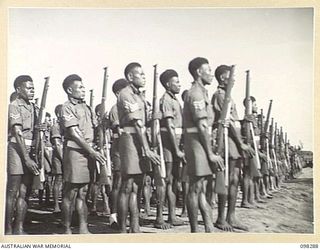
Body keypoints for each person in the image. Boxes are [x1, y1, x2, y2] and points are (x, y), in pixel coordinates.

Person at [117, 62, 160, 233]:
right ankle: (121, 228)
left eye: (144, 74)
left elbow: (146, 121)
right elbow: (137, 123)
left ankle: (134, 226)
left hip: (140, 141)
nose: (143, 77)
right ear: (129, 77)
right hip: (130, 142)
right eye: (140, 74)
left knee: (137, 186)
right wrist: (147, 149)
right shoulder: (126, 94)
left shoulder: (140, 96)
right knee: (127, 186)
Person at [60, 74, 106, 234]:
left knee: (83, 192)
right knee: (70, 192)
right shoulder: (67, 107)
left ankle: (83, 227)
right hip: (75, 153)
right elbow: (74, 132)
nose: (83, 90)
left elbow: (95, 127)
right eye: (79, 87)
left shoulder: (86, 107)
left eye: (83, 86)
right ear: (69, 90)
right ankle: (66, 228)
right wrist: (92, 151)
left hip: (88, 153)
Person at [183, 57, 224, 233]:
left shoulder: (203, 93)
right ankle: (194, 231)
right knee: (195, 187)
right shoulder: (196, 94)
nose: (211, 74)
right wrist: (210, 154)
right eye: (208, 70)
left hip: (201, 142)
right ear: (199, 72)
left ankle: (208, 226)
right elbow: (201, 125)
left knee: (202, 188)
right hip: (196, 144)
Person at [211, 65, 254, 231]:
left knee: (235, 179)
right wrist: (241, 143)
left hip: (233, 141)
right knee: (228, 180)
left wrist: (245, 120)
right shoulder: (221, 95)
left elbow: (235, 121)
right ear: (223, 78)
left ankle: (231, 215)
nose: (233, 79)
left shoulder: (227, 96)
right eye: (230, 76)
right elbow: (226, 121)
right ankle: (222, 218)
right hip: (227, 141)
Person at [6, 75, 40, 234]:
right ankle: (6, 228)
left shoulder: (33, 107)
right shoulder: (14, 105)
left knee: (25, 192)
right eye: (29, 88)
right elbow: (17, 132)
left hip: (30, 151)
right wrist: (26, 158)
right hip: (17, 150)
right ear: (18, 89)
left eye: (33, 88)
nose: (32, 91)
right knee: (12, 191)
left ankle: (19, 227)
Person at [158, 69, 185, 227]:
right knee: (165, 179)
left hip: (176, 143)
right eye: (176, 82)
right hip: (169, 143)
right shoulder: (166, 99)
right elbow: (169, 125)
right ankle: (159, 217)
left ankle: (172, 216)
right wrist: (176, 149)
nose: (179, 84)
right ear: (168, 84)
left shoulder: (175, 100)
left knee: (174, 180)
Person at [108, 78, 129, 228]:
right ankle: (113, 216)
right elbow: (118, 130)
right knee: (118, 181)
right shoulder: (115, 109)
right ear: (118, 93)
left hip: (129, 148)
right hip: (119, 148)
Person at [51, 104, 64, 213]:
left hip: (67, 155)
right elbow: (57, 143)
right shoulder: (56, 126)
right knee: (58, 179)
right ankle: (56, 205)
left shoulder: (66, 125)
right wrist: (63, 159)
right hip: (59, 157)